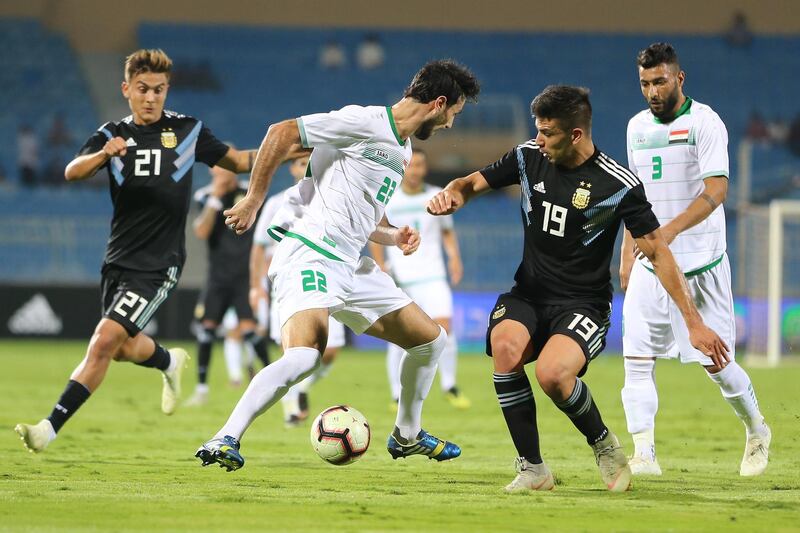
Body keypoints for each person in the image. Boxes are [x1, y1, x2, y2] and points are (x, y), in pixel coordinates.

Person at [427, 84, 729, 493]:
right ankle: (533, 468)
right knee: (506, 348)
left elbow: (658, 253)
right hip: (529, 293)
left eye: (547, 132)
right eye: (537, 130)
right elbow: (470, 182)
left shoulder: (617, 184)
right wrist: (453, 195)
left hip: (584, 305)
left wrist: (694, 324)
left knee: (553, 375)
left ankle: (604, 444)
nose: (538, 139)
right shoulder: (528, 157)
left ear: (575, 135)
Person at [195, 59, 480, 471]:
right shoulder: (364, 121)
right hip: (310, 251)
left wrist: (394, 234)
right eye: (454, 113)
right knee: (305, 356)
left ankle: (407, 434)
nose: (451, 125)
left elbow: (368, 217)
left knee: (430, 340)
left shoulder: (401, 149)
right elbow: (282, 132)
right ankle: (225, 437)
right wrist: (254, 199)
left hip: (351, 264)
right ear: (439, 103)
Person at [14, 49, 257, 453]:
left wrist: (293, 147)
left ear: (167, 90)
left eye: (159, 90)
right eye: (143, 89)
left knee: (103, 340)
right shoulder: (111, 134)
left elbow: (238, 161)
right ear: (126, 89)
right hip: (118, 261)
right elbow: (71, 171)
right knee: (124, 346)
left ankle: (48, 428)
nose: (151, 98)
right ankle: (167, 361)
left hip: (159, 264)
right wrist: (103, 155)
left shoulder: (188, 131)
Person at [620, 42, 770, 477]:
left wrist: (668, 232)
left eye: (660, 81)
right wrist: (629, 251)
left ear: (679, 78)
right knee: (636, 360)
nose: (652, 90)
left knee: (718, 365)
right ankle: (643, 453)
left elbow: (716, 192)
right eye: (645, 83)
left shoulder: (705, 123)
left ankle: (757, 429)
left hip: (700, 268)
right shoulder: (635, 127)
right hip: (650, 267)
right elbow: (634, 196)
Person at [368, 149, 470, 410]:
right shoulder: (388, 199)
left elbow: (447, 232)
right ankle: (395, 393)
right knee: (400, 336)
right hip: (403, 278)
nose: (415, 171)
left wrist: (455, 259)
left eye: (420, 166)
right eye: (411, 166)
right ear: (404, 167)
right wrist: (381, 265)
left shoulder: (435, 196)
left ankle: (450, 385)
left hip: (434, 274)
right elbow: (376, 233)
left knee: (444, 329)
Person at [250, 154, 346, 426]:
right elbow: (259, 246)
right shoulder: (276, 202)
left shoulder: (334, 197)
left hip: (328, 278)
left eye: (309, 160)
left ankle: (300, 389)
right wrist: (255, 285)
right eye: (299, 161)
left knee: (331, 349)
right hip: (290, 282)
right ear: (291, 167)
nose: (304, 165)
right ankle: (291, 407)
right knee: (293, 351)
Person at [184, 162, 270, 406]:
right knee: (207, 329)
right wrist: (215, 198)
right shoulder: (204, 196)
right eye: (220, 169)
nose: (224, 174)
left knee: (249, 330)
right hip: (218, 277)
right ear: (213, 172)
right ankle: (201, 390)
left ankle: (275, 385)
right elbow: (201, 231)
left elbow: (264, 231)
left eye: (229, 168)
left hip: (245, 275)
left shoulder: (251, 193)